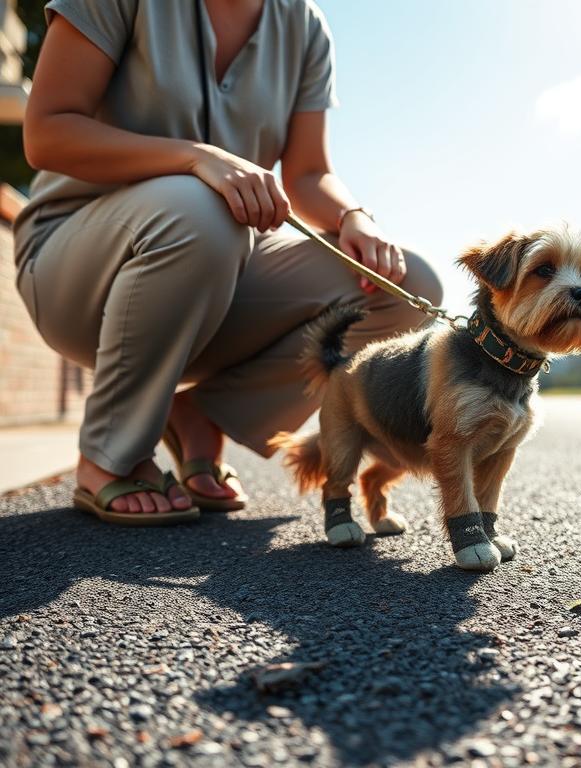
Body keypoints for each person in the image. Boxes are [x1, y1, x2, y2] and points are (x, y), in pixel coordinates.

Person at [13, 0, 442, 523]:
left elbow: (307, 174)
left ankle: (200, 416)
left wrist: (353, 215)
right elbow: (48, 131)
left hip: (222, 266)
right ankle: (110, 453)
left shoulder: (304, 25)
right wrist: (198, 156)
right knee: (203, 210)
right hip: (78, 264)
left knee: (402, 286)